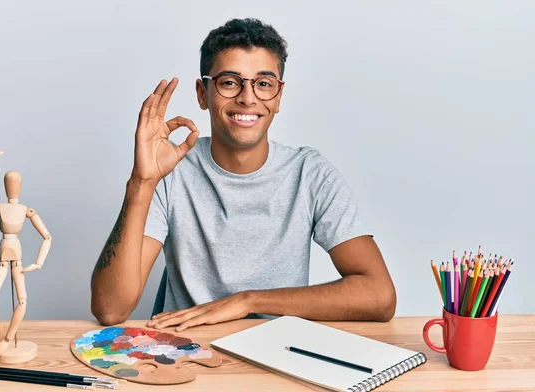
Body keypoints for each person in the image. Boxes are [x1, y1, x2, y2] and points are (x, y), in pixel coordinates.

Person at [90, 18, 396, 331]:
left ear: (278, 96)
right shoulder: (172, 169)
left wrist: (248, 301)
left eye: (263, 84)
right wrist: (142, 182)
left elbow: (379, 295)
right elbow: (111, 310)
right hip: (187, 352)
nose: (248, 98)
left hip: (278, 353)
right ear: (202, 93)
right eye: (229, 82)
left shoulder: (310, 174)